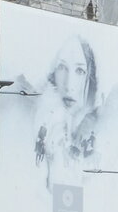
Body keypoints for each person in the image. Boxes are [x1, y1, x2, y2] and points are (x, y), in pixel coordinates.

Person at [29, 34, 101, 190]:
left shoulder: (98, 135)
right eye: (62, 68)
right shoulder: (39, 120)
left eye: (80, 71)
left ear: (90, 77)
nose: (69, 85)